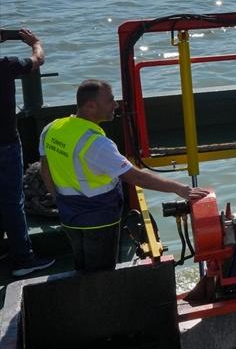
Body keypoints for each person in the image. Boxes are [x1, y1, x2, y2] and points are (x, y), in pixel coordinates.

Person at [39, 79, 208, 272]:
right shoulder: (96, 144)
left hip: (69, 215)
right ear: (90, 106)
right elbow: (137, 178)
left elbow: (45, 169)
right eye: (110, 100)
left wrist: (59, 200)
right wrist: (180, 189)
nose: (116, 105)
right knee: (101, 275)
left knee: (82, 266)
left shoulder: (51, 129)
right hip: (99, 220)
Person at [1, 28, 54, 277]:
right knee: (13, 200)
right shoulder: (6, 65)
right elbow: (37, 60)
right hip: (5, 143)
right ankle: (23, 257)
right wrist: (35, 42)